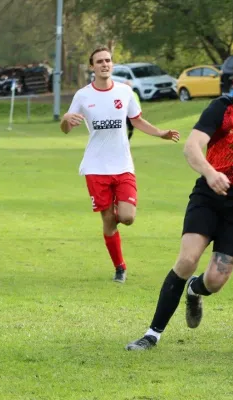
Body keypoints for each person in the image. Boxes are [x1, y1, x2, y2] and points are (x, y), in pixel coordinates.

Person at [125, 60, 233, 350]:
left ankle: (195, 290)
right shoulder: (221, 109)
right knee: (187, 260)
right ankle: (152, 334)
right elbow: (192, 146)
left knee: (216, 280)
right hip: (209, 195)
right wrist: (211, 173)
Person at [60, 46, 180, 283]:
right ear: (92, 67)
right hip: (95, 167)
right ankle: (120, 267)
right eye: (99, 61)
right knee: (108, 220)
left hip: (123, 165)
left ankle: (115, 208)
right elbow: (66, 128)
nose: (105, 64)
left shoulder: (124, 92)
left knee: (127, 217)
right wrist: (65, 120)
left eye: (108, 60)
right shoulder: (83, 96)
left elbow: (137, 120)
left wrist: (160, 133)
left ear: (111, 65)